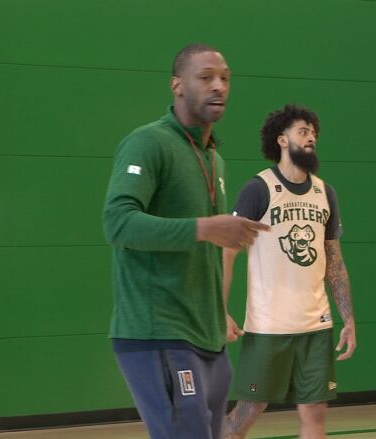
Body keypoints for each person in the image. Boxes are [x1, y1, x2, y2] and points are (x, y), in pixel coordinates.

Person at [102, 43, 269, 439]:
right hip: (157, 332)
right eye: (206, 77)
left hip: (208, 339)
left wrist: (219, 316)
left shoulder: (213, 158)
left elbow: (206, 255)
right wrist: (204, 228)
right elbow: (118, 224)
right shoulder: (149, 143)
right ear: (177, 85)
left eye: (225, 79)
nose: (219, 87)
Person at [223, 104, 357, 439]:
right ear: (282, 140)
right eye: (303, 131)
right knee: (248, 411)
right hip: (269, 325)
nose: (311, 137)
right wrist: (220, 310)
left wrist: (349, 319)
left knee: (315, 415)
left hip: (316, 325)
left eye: (314, 132)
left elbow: (335, 262)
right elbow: (227, 252)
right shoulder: (259, 189)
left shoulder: (325, 192)